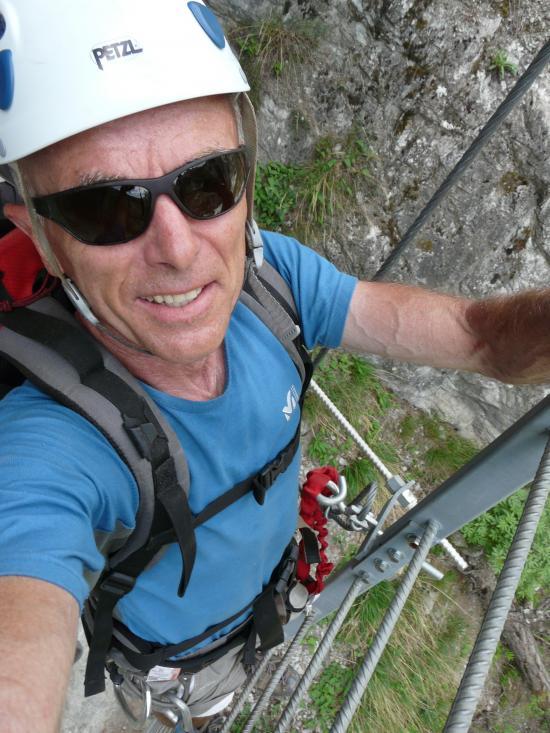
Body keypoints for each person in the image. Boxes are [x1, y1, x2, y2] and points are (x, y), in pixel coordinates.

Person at [0, 3, 548, 732]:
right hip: (178, 669)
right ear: (39, 235)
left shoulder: (272, 282)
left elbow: (479, 338)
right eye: (106, 209)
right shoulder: (49, 441)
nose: (179, 248)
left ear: (247, 172)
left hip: (277, 592)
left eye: (208, 184)